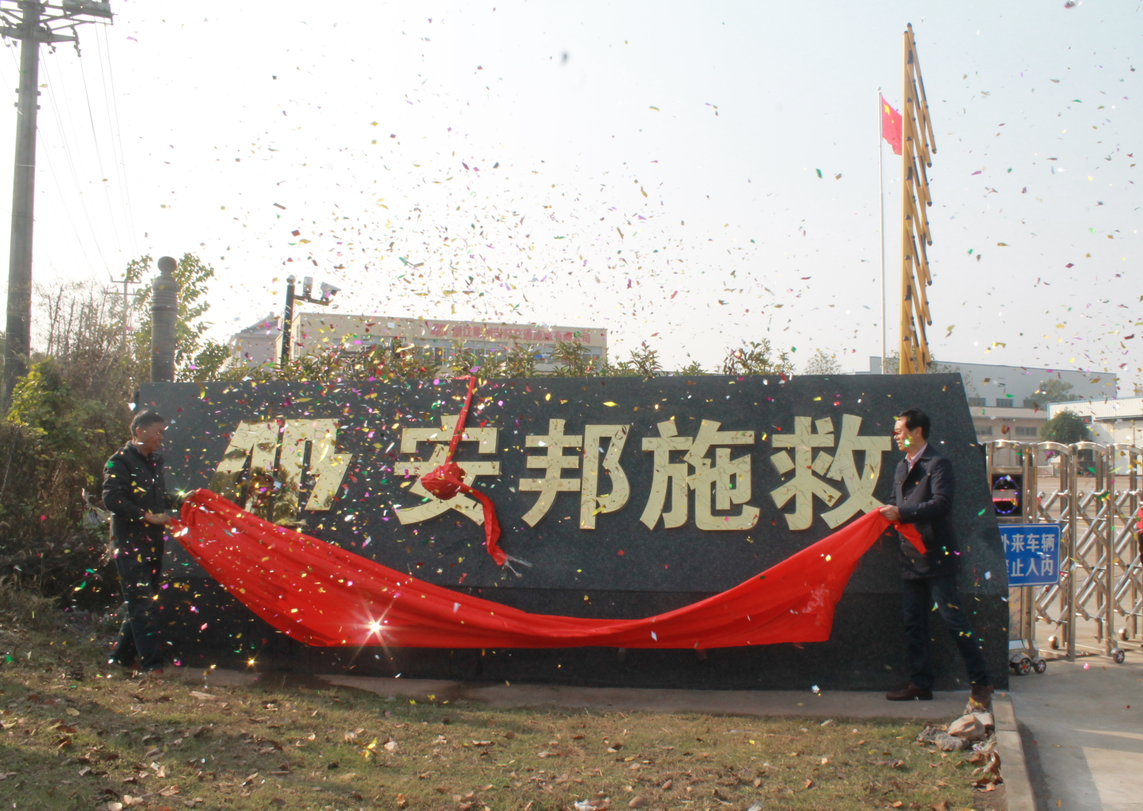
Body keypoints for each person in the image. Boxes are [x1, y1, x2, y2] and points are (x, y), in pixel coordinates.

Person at [879, 408, 993, 709]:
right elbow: (895, 501)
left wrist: (901, 513)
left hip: (937, 556)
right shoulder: (901, 466)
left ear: (917, 432)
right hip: (909, 556)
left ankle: (981, 682)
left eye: (899, 430)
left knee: (953, 620)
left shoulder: (938, 464)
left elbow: (941, 504)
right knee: (913, 623)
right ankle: (920, 683)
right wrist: (884, 513)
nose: (895, 435)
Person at [103, 410, 179, 677]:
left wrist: (184, 500)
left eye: (163, 433)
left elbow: (158, 498)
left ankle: (120, 659)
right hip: (129, 545)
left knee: (142, 603)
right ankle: (152, 665)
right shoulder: (119, 462)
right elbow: (112, 499)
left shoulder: (154, 462)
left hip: (153, 545)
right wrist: (147, 517)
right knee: (141, 603)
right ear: (140, 431)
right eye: (158, 432)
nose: (161, 438)